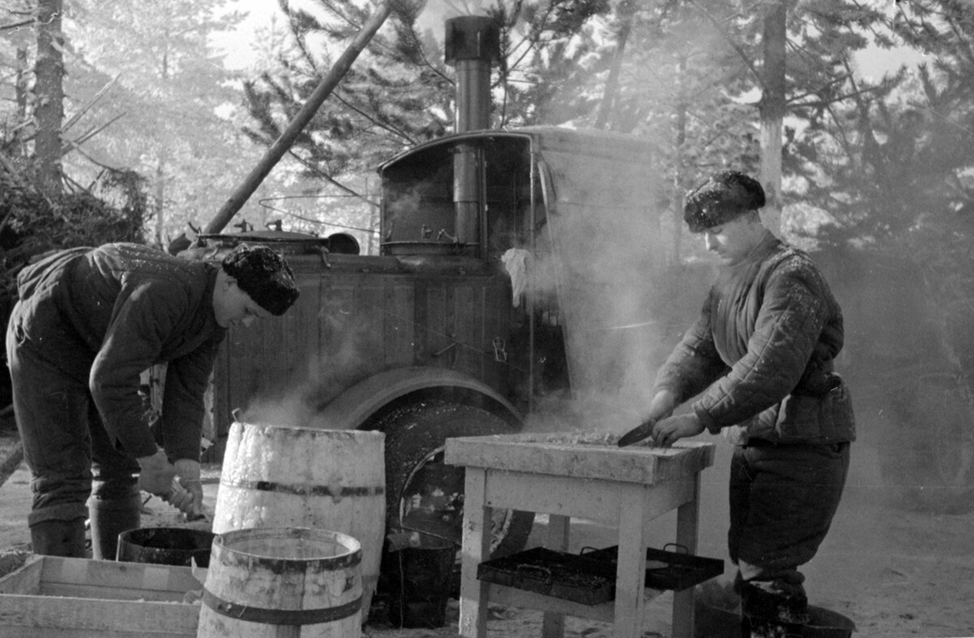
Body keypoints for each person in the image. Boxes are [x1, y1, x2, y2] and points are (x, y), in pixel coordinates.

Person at [645, 170, 855, 638]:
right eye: (703, 234)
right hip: (762, 438)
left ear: (750, 218)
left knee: (768, 566)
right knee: (750, 558)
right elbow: (700, 347)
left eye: (717, 231)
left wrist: (699, 416)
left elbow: (768, 366)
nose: (708, 245)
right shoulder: (728, 283)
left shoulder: (791, 274)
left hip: (805, 442)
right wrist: (667, 393)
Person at [5, 242, 299, 559]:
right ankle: (58, 597)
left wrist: (187, 470)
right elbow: (109, 380)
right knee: (63, 478)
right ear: (228, 282)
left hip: (98, 349)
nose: (248, 323)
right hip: (46, 338)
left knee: (119, 470)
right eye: (248, 311)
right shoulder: (166, 293)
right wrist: (150, 458)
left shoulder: (214, 319)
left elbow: (186, 393)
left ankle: (112, 581)